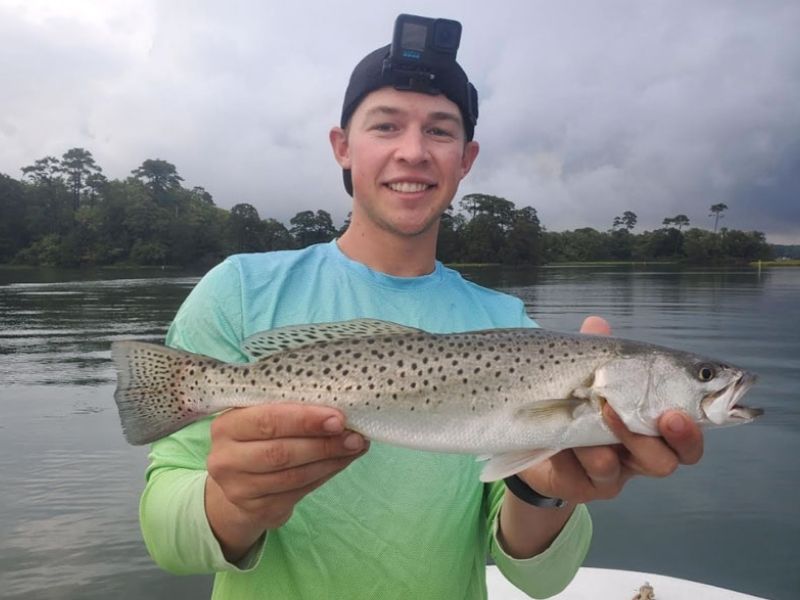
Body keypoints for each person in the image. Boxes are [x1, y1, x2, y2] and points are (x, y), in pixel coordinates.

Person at [139, 14, 704, 599]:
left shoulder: (509, 324)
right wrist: (233, 501)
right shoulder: (238, 292)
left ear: (467, 158)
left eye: (439, 131)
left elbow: (542, 580)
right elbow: (166, 538)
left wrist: (543, 486)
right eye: (385, 126)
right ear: (342, 147)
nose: (413, 152)